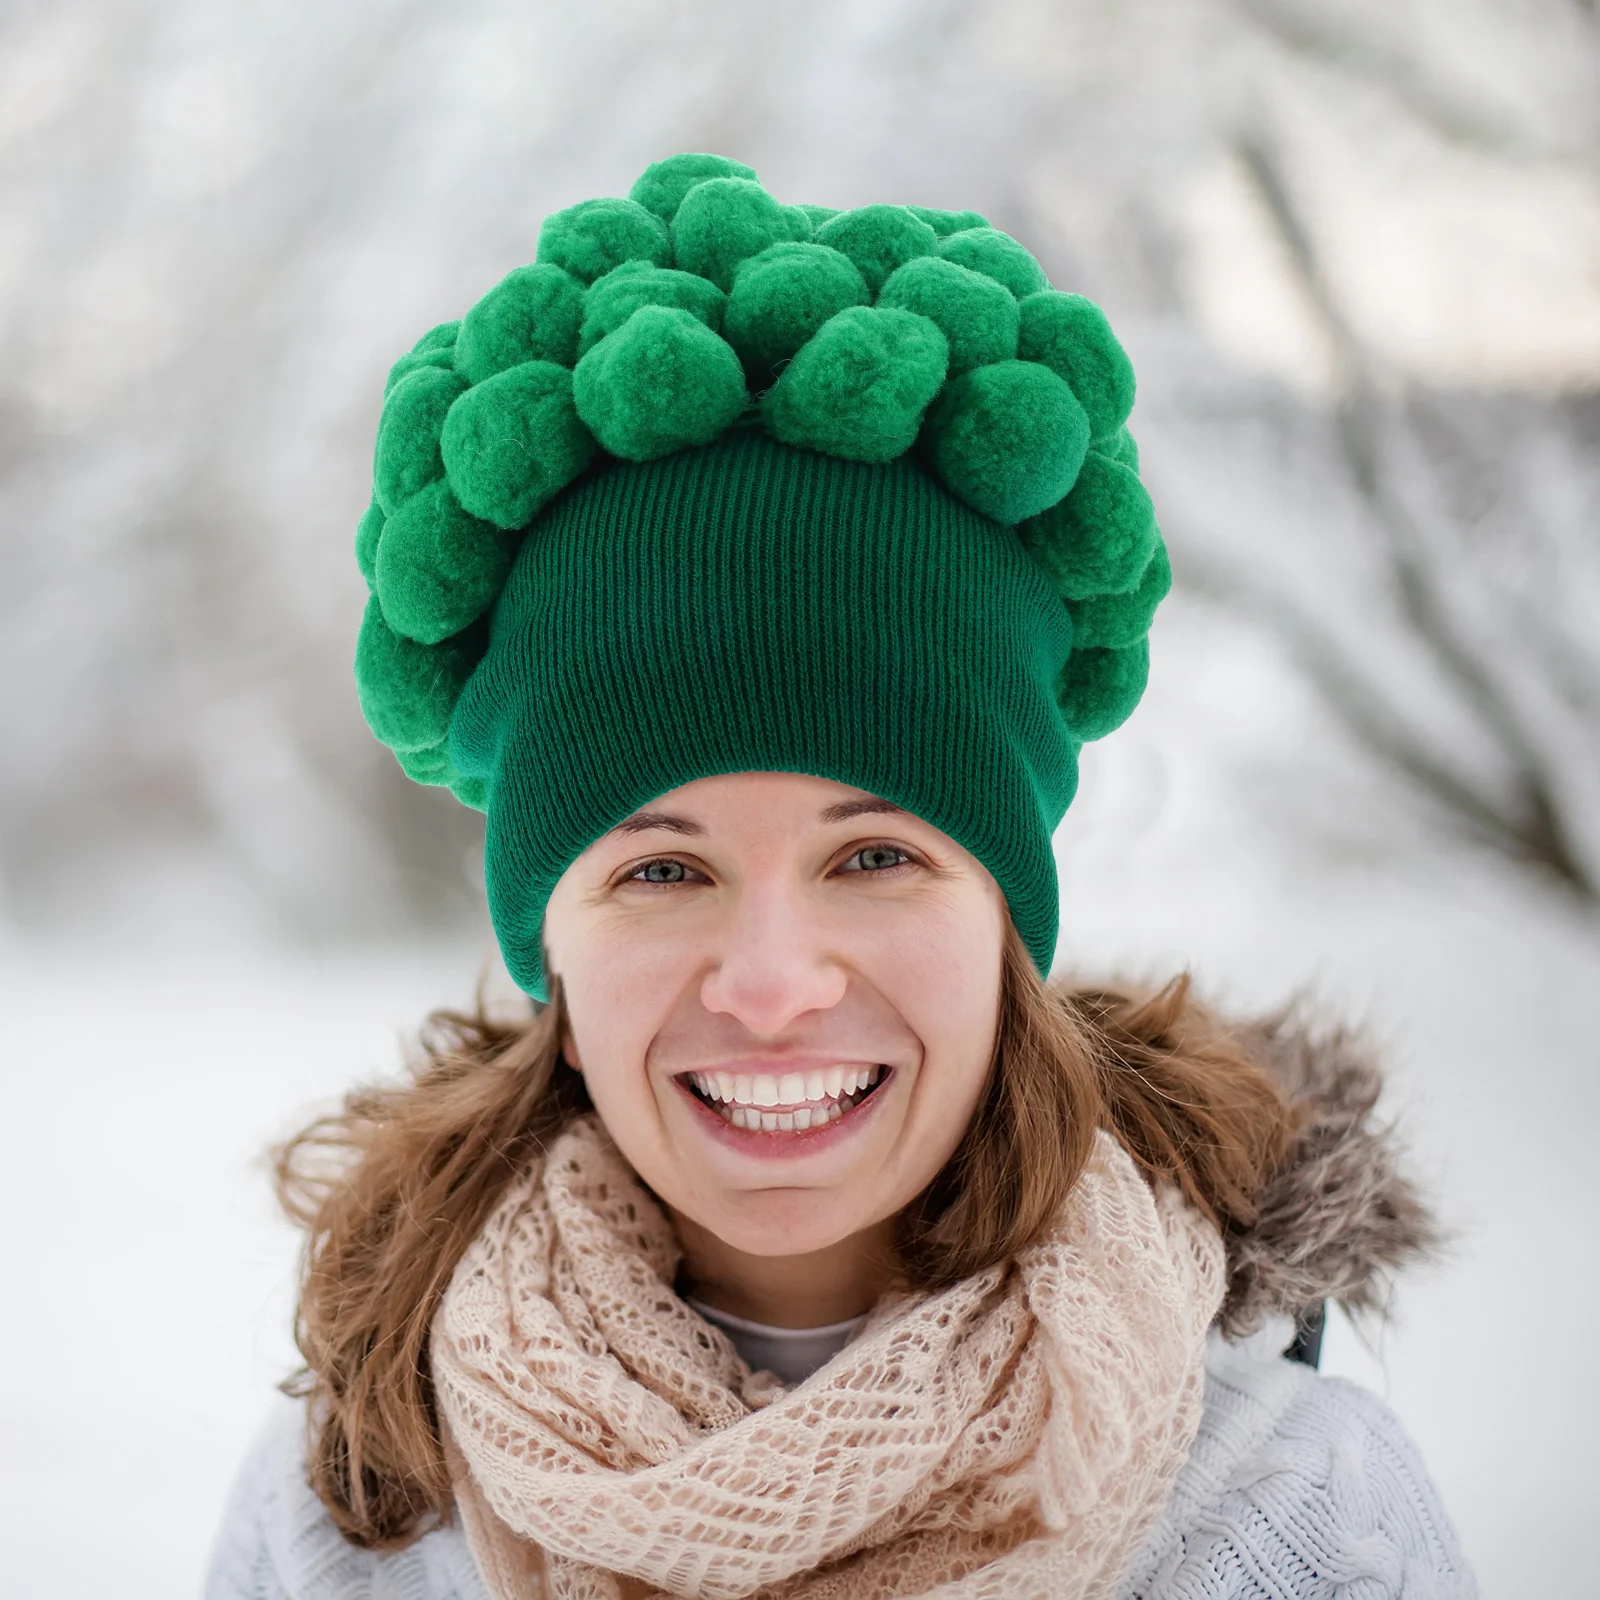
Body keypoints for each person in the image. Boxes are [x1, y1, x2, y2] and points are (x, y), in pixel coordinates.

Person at [204, 153, 1476, 1599]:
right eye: (663, 869)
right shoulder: (369, 1507)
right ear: (546, 933)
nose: (771, 987)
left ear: (1005, 910)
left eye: (876, 856)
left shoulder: (1277, 1507)